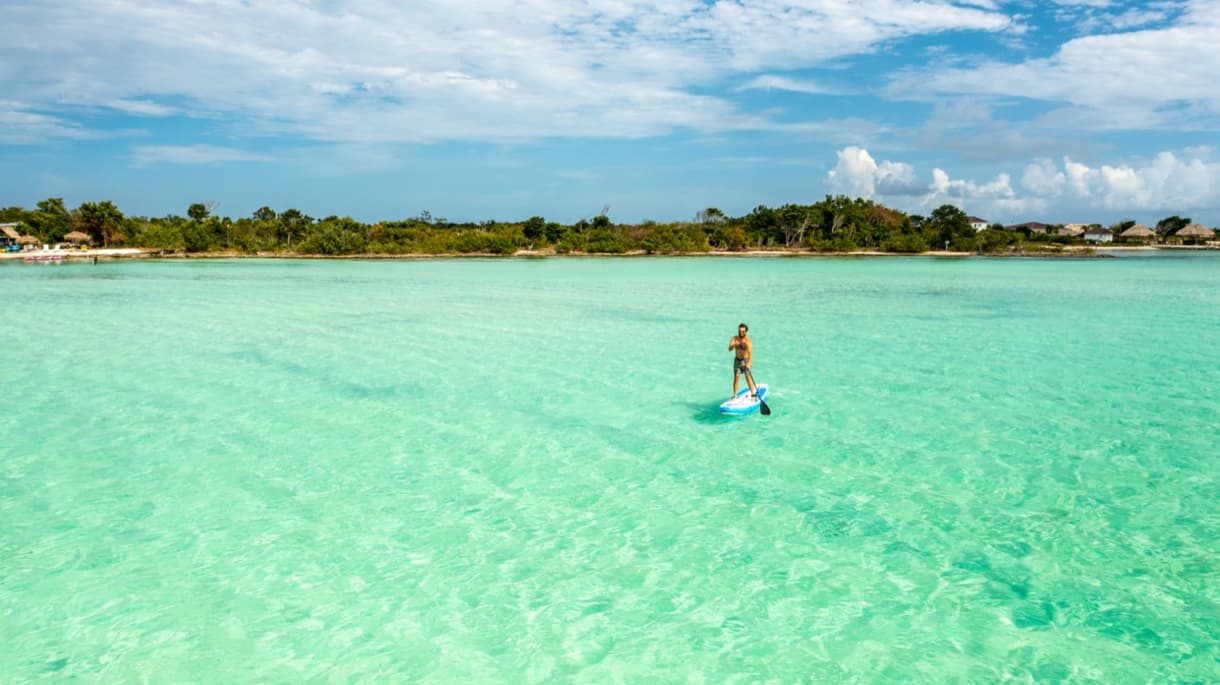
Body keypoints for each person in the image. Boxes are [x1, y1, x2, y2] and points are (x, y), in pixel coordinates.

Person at [728, 322, 758, 399]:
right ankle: (735, 396)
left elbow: (750, 353)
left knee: (747, 376)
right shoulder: (734, 338)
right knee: (736, 377)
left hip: (746, 361)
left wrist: (749, 363)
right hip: (737, 361)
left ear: (746, 331)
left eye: (743, 331)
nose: (741, 332)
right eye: (740, 331)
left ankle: (752, 394)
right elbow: (729, 349)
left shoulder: (748, 340)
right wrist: (734, 344)